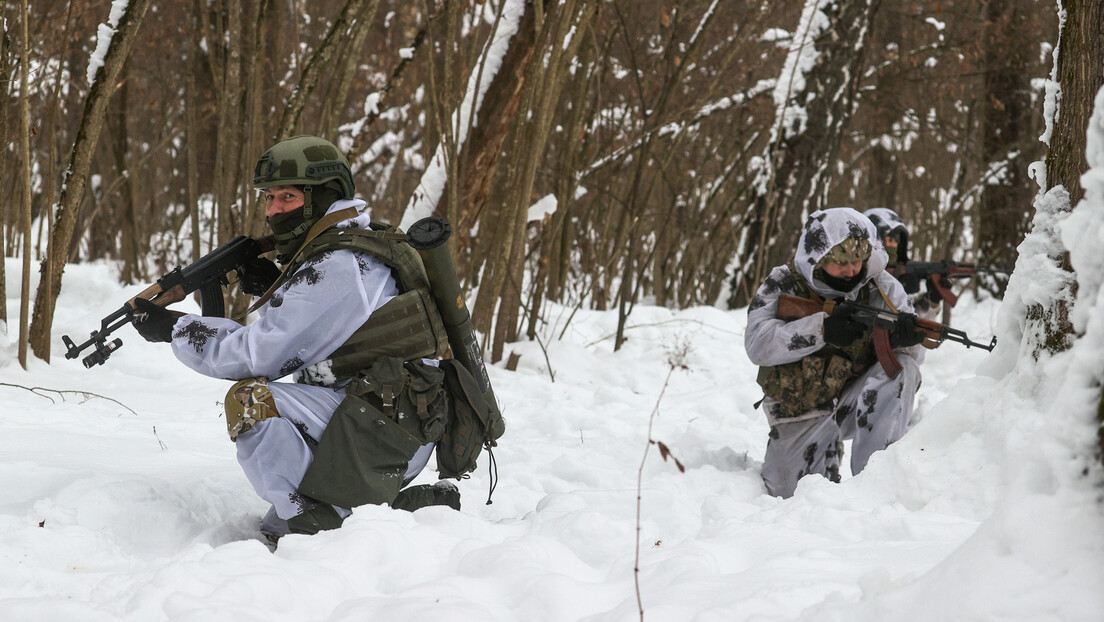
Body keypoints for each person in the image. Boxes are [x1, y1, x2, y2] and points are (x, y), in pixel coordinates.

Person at [132, 135, 459, 541]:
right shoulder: (351, 247)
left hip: (387, 430)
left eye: (287, 197)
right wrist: (271, 287)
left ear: (323, 197)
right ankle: (371, 507)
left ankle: (321, 519)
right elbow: (322, 337)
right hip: (385, 415)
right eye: (268, 198)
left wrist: (174, 329)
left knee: (250, 401)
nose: (273, 210)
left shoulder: (341, 265)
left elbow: (258, 355)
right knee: (274, 502)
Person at [744, 207, 927, 498]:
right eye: (840, 262)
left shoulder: (880, 286)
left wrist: (906, 339)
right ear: (819, 258)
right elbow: (756, 343)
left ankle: (877, 481)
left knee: (902, 366)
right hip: (798, 411)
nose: (851, 270)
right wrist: (821, 330)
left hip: (853, 401)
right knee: (788, 500)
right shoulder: (785, 282)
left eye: (857, 260)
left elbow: (913, 361)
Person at [863, 207, 941, 320]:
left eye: (896, 241)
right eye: (889, 240)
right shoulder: (854, 275)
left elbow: (915, 326)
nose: (894, 245)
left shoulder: (897, 278)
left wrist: (931, 302)